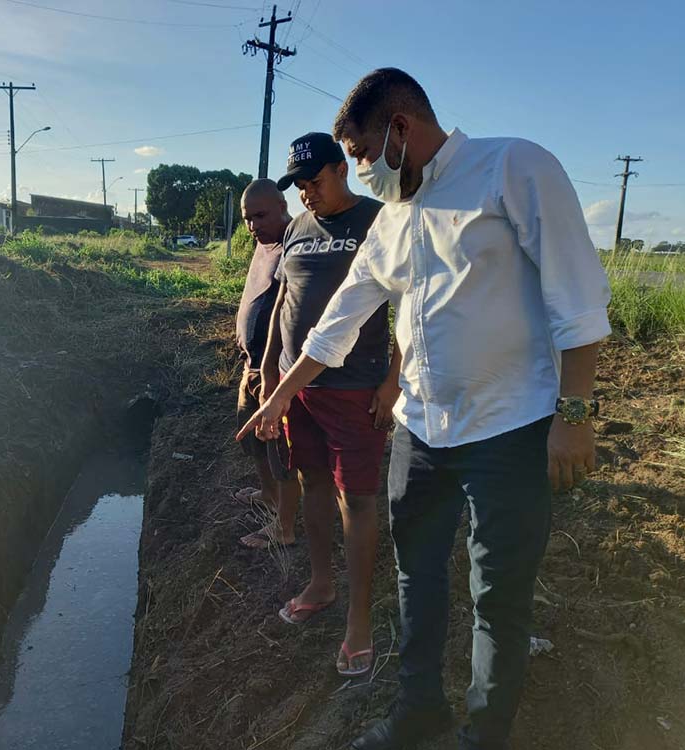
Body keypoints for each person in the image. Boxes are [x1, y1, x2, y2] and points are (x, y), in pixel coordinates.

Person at [238, 68, 611, 750]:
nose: (358, 170)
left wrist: (575, 415)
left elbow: (577, 296)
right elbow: (339, 321)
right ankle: (420, 711)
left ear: (399, 130)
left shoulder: (514, 168)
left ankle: (484, 733)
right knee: (417, 573)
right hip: (421, 429)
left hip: (511, 425)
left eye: (358, 154)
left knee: (498, 593)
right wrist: (283, 391)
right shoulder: (395, 221)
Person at [260, 132, 394, 678]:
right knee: (312, 482)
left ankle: (359, 620)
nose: (306, 195)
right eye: (298, 186)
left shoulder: (380, 221)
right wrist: (269, 371)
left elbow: (409, 303)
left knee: (357, 500)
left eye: (313, 183)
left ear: (342, 169)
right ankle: (321, 582)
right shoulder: (295, 228)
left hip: (356, 387)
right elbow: (282, 303)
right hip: (298, 388)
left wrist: (394, 380)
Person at [234, 179, 302, 549]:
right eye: (247, 218)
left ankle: (285, 527)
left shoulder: (295, 243)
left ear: (281, 204)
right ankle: (267, 494)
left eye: (260, 215)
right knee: (252, 441)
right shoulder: (263, 245)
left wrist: (275, 371)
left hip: (277, 371)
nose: (253, 226)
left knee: (280, 451)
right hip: (253, 364)